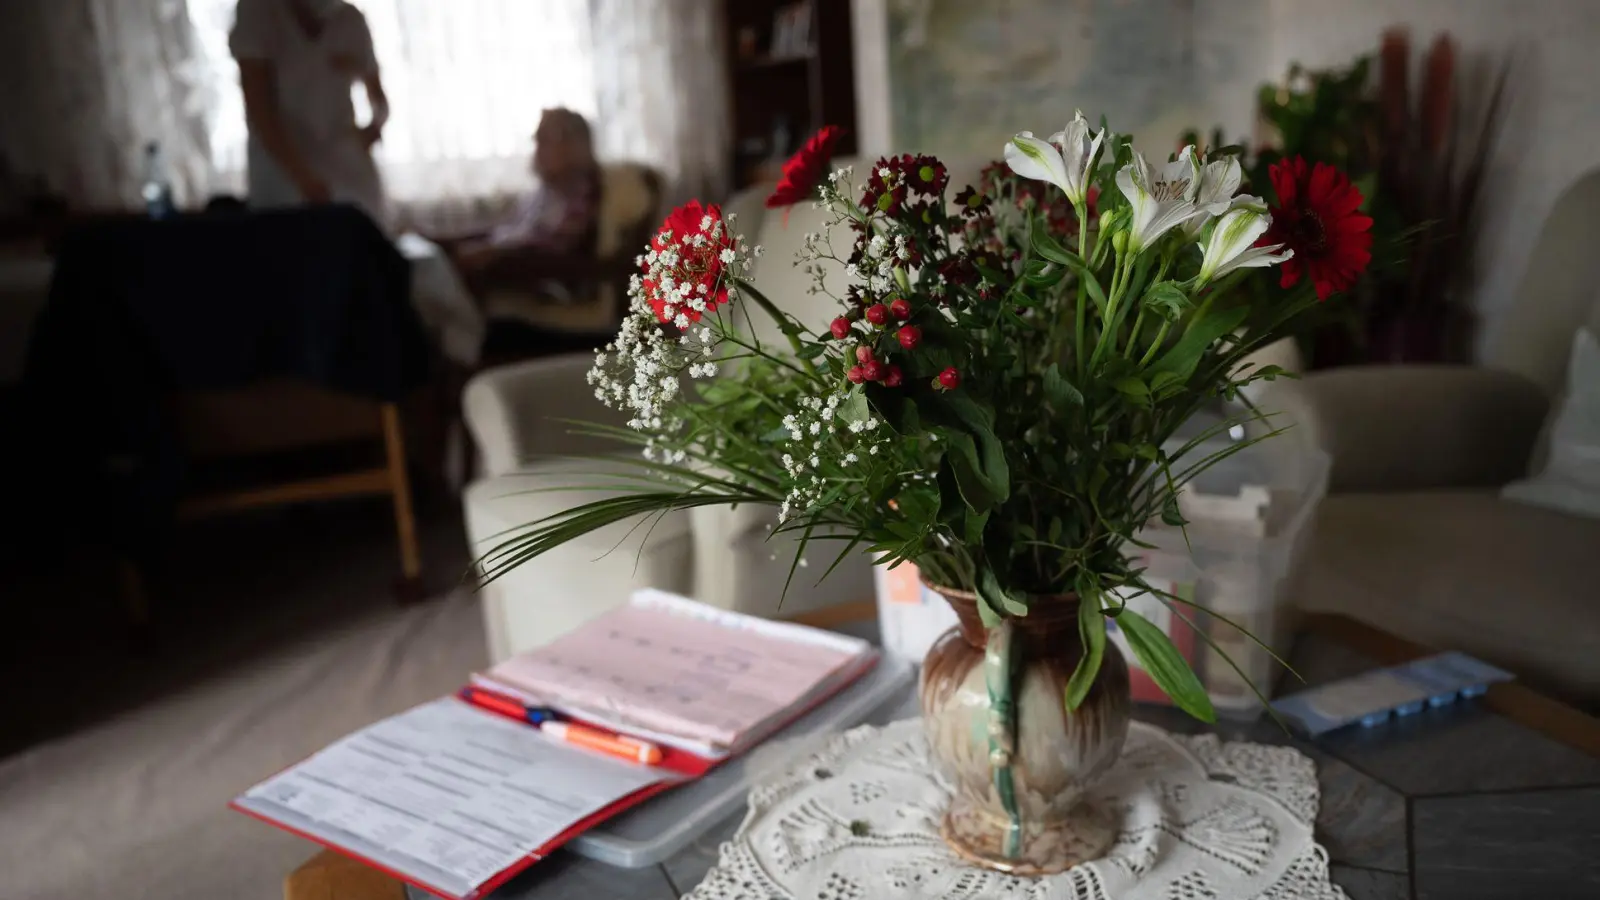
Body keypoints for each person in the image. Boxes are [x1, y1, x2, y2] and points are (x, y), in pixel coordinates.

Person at [229, 0, 390, 227]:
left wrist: (373, 127)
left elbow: (379, 99)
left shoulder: (350, 19)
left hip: (347, 166)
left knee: (362, 251)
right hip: (282, 172)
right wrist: (302, 177)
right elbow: (259, 110)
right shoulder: (258, 10)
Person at [450, 108, 602, 282]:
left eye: (545, 139)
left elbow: (556, 244)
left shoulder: (582, 191)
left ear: (573, 146)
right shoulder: (545, 191)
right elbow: (512, 229)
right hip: (505, 256)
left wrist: (491, 251)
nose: (537, 147)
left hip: (528, 271)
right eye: (537, 139)